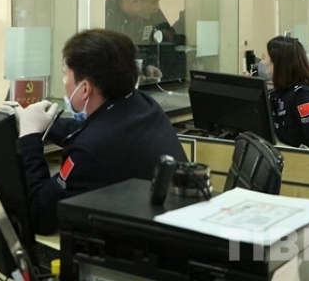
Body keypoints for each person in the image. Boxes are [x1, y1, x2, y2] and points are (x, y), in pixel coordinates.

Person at [14, 29, 187, 235]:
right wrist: (42, 122)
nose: (64, 82)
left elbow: (40, 216)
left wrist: (30, 137)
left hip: (138, 244)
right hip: (172, 230)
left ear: (85, 89)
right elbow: (92, 129)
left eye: (65, 75)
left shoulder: (91, 150)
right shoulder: (142, 104)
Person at [105, 0, 173, 80]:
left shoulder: (153, 14)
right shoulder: (105, 14)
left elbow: (163, 42)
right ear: (135, 1)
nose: (157, 7)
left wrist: (148, 65)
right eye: (154, 2)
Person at [267, 36, 309, 148]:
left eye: (269, 61)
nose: (264, 64)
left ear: (281, 66)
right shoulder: (277, 94)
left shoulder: (304, 97)